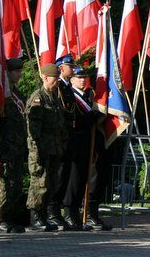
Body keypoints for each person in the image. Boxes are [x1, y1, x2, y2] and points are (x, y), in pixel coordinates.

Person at [25, 63, 66, 232]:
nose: (56, 81)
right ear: (45, 77)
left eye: (58, 78)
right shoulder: (38, 98)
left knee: (51, 183)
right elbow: (33, 131)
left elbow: (60, 125)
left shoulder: (54, 98)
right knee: (39, 183)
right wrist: (37, 150)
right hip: (41, 149)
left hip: (54, 148)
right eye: (54, 78)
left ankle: (43, 216)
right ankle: (35, 217)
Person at [62, 66, 97, 230]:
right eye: (79, 77)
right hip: (75, 140)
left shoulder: (89, 96)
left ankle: (76, 212)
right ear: (72, 79)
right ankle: (69, 212)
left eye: (84, 77)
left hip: (86, 141)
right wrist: (91, 117)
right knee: (74, 179)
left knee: (83, 178)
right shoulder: (69, 96)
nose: (83, 80)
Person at [0, 57, 27, 233]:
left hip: (17, 145)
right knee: (5, 184)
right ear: (7, 72)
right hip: (5, 145)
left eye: (20, 70)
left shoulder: (17, 94)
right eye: (15, 71)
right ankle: (0, 218)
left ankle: (10, 218)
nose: (19, 74)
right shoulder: (4, 96)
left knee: (15, 183)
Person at [50, 54, 76, 229]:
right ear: (61, 68)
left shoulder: (67, 87)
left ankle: (58, 211)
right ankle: (52, 211)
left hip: (68, 136)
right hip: (59, 137)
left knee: (65, 174)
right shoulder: (58, 88)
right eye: (70, 66)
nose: (72, 69)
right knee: (57, 175)